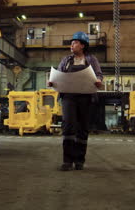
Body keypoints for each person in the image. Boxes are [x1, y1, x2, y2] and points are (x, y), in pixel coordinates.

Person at [47, 31, 103, 171]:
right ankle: (67, 161)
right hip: (69, 97)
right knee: (68, 126)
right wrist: (52, 82)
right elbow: (58, 74)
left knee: (83, 128)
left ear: (83, 45)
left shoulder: (91, 59)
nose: (71, 45)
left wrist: (98, 81)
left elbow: (99, 75)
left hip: (86, 97)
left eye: (75, 43)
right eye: (71, 43)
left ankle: (79, 161)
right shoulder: (66, 60)